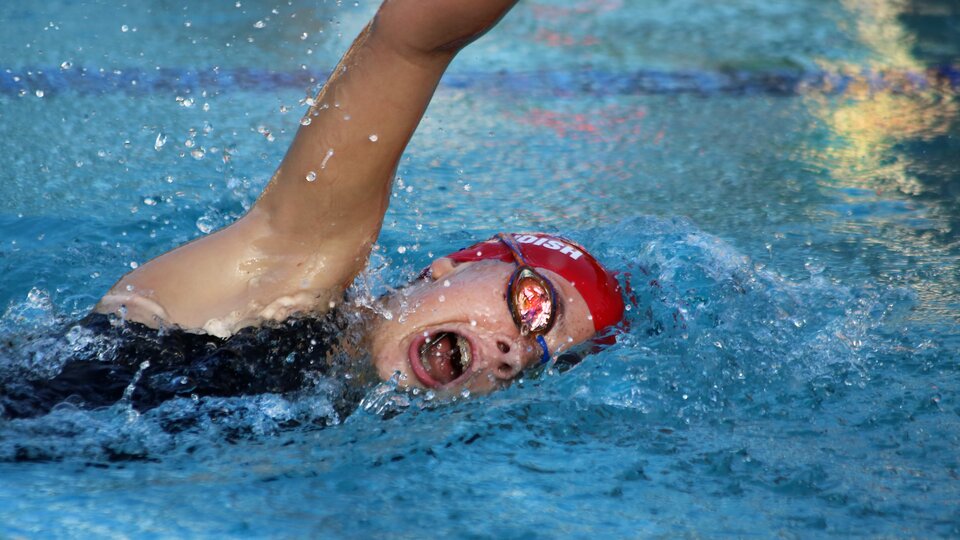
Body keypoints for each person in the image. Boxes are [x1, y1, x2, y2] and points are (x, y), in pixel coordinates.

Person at [1, 0, 624, 420]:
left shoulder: (339, 422)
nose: (516, 353)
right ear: (449, 268)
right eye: (534, 306)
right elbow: (412, 41)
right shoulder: (283, 284)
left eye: (540, 362)